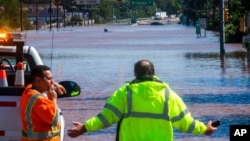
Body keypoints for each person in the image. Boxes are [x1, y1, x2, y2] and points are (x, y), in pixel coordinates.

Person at [68, 60, 218, 140]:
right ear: (153, 73)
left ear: (135, 74)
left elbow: (106, 118)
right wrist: (205, 129)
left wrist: (85, 128)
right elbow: (186, 123)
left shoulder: (124, 92)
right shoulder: (168, 95)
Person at [20, 65, 66, 141]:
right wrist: (53, 99)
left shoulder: (28, 91)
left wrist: (53, 83)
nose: (52, 82)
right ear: (38, 80)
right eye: (49, 79)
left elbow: (31, 84)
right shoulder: (39, 100)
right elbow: (54, 119)